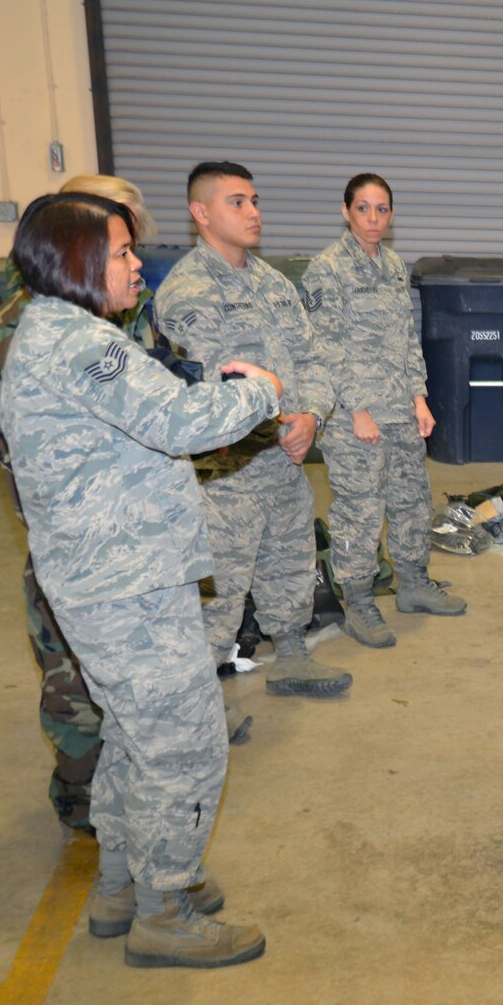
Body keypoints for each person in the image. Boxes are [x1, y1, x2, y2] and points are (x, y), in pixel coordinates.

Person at [0, 191, 281, 965]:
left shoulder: (54, 332)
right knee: (183, 742)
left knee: (131, 733)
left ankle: (123, 884)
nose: (134, 266)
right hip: (124, 584)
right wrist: (261, 388)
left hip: (109, 575)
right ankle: (166, 906)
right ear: (80, 261)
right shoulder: (86, 345)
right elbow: (186, 421)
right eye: (121, 252)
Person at [0, 173, 166, 829]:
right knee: (71, 674)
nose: (134, 256)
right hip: (77, 534)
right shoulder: (26, 327)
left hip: (127, 528)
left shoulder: (116, 311)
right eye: (120, 241)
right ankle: (81, 788)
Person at [157, 161, 351, 697]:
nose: (253, 212)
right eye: (236, 202)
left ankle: (290, 653)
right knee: (219, 584)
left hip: (284, 457)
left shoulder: (273, 284)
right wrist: (283, 427)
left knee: (290, 555)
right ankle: (198, 700)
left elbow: (312, 358)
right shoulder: (188, 292)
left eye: (255, 200)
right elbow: (208, 385)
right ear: (200, 212)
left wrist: (310, 416)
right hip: (225, 470)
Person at [301, 171, 465, 650]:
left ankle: (413, 584)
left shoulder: (395, 267)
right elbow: (324, 347)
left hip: (400, 408)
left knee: (412, 500)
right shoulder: (327, 269)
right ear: (345, 212)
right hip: (358, 416)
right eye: (363, 208)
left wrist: (420, 398)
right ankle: (357, 599)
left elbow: (407, 341)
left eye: (383, 209)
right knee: (360, 509)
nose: (374, 218)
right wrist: (355, 410)